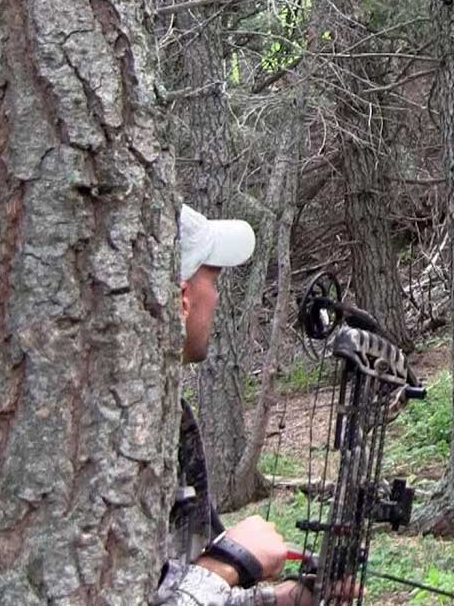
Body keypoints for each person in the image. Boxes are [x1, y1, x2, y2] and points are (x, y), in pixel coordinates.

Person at [155, 204, 316, 606]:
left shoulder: (169, 416)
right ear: (182, 299)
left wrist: (284, 599)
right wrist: (230, 562)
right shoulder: (103, 437)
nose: (218, 293)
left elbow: (181, 587)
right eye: (214, 277)